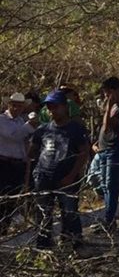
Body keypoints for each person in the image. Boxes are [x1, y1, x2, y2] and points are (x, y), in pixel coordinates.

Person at [27, 90, 90, 249]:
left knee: (69, 212)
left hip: (66, 178)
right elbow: (31, 152)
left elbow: (84, 153)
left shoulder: (76, 129)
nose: (52, 110)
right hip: (44, 177)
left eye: (55, 107)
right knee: (42, 212)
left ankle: (75, 243)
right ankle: (43, 244)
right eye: (49, 107)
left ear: (64, 107)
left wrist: (72, 175)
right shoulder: (43, 129)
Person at [94, 76, 119, 230]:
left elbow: (108, 125)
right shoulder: (112, 107)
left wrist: (108, 106)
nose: (105, 97)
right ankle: (108, 218)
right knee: (104, 184)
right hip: (103, 148)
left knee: (111, 184)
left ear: (116, 91)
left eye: (107, 93)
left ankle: (109, 219)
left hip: (114, 150)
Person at [1, 92, 34, 226]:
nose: (16, 108)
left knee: (14, 196)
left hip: (18, 164)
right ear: (8, 105)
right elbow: (13, 136)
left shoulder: (21, 121)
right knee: (3, 195)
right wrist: (29, 126)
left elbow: (25, 141)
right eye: (14, 105)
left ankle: (7, 224)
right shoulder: (2, 120)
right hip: (3, 163)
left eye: (19, 106)